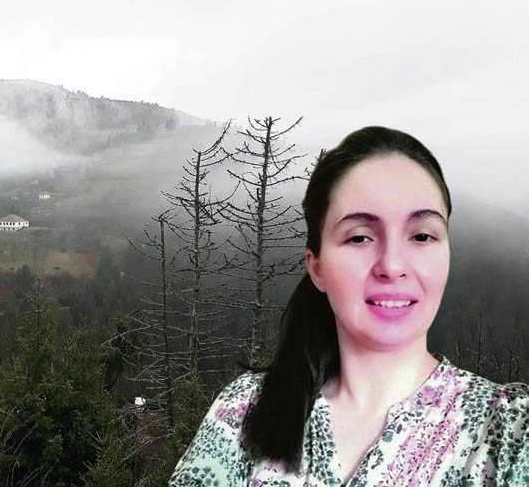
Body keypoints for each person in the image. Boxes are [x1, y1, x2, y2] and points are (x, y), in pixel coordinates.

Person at [169, 126, 529, 486]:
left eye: (422, 236)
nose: (392, 265)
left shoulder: (510, 432)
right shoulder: (247, 410)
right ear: (316, 267)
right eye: (359, 237)